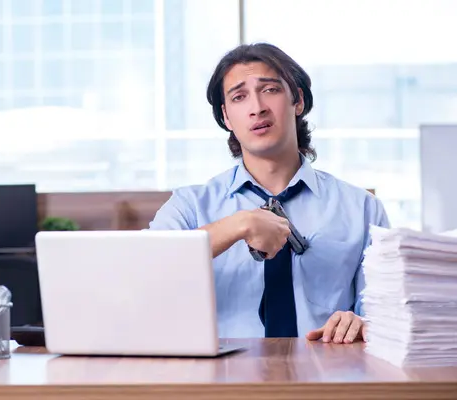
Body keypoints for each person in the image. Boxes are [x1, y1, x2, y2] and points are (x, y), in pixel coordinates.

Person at [148, 43, 390, 343]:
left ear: (297, 100)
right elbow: (142, 270)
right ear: (226, 117)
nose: (257, 107)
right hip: (221, 383)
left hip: (329, 379)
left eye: (271, 90)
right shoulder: (189, 206)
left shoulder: (363, 209)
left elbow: (390, 316)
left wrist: (363, 322)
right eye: (239, 97)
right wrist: (238, 226)